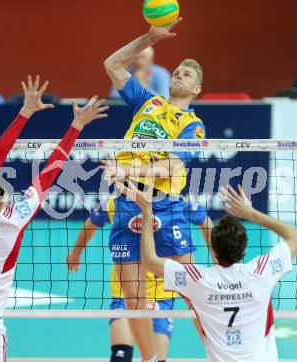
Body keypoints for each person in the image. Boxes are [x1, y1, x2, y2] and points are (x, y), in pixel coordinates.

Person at [0, 75, 109, 362]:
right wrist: (76, 125)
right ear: (2, 202)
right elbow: (50, 172)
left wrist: (24, 112)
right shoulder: (13, 221)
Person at [102, 18, 206, 362]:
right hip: (128, 201)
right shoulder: (146, 101)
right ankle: (151, 360)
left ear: (196, 91)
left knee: (193, 289)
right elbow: (112, 64)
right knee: (133, 295)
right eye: (177, 70)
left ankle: (222, 350)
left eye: (187, 74)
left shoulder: (193, 125)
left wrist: (126, 168)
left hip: (166, 205)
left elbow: (172, 166)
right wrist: (147, 38)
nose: (179, 74)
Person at [118, 180, 297, 362]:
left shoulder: (198, 280)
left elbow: (150, 260)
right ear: (244, 248)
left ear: (213, 249)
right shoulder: (261, 272)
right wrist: (251, 214)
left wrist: (147, 211)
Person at [66, 195, 213, 362]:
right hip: (127, 292)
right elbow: (91, 223)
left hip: (162, 295)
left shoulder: (176, 202)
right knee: (120, 356)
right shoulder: (118, 202)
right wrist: (75, 253)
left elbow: (205, 222)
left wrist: (218, 260)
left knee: (157, 359)